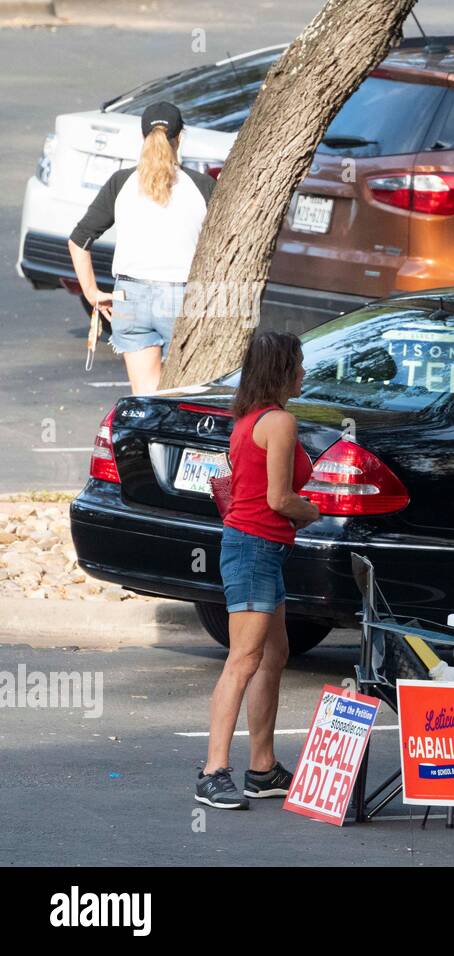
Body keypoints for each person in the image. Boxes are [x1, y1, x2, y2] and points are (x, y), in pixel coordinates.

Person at [196, 332, 320, 810]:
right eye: (299, 364)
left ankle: (263, 768)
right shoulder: (280, 422)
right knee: (244, 659)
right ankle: (213, 771)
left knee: (274, 654)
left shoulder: (248, 419)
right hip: (254, 548)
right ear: (282, 370)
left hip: (258, 548)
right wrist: (313, 511)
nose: (304, 372)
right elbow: (278, 500)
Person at [68, 101, 214, 394]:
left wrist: (92, 293)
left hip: (129, 296)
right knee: (185, 396)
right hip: (182, 296)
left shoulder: (121, 183)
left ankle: (148, 442)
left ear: (142, 138)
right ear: (180, 137)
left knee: (146, 397)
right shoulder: (201, 186)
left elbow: (79, 240)